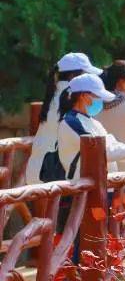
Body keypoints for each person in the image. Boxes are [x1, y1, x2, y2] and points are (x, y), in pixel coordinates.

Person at [57, 74, 125, 178]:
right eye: (98, 97)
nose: (101, 101)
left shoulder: (93, 122)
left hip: (102, 186)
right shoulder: (72, 123)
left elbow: (115, 150)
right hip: (83, 190)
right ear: (84, 96)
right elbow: (102, 152)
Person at [26, 51, 101, 183]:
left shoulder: (54, 94)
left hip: (38, 169)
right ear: (73, 76)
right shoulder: (73, 96)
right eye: (86, 75)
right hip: (55, 174)